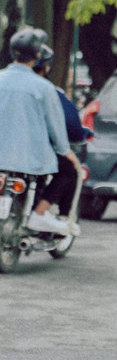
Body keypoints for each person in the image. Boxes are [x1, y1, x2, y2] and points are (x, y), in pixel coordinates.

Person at [0, 28, 81, 236]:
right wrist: (66, 152)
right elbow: (56, 126)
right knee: (69, 170)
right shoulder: (44, 88)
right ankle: (39, 213)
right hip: (30, 159)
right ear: (37, 56)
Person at [32, 42, 91, 233]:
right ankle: (44, 214)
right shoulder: (49, 91)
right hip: (35, 154)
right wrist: (66, 149)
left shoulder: (4, 81)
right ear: (46, 67)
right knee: (69, 169)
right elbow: (68, 126)